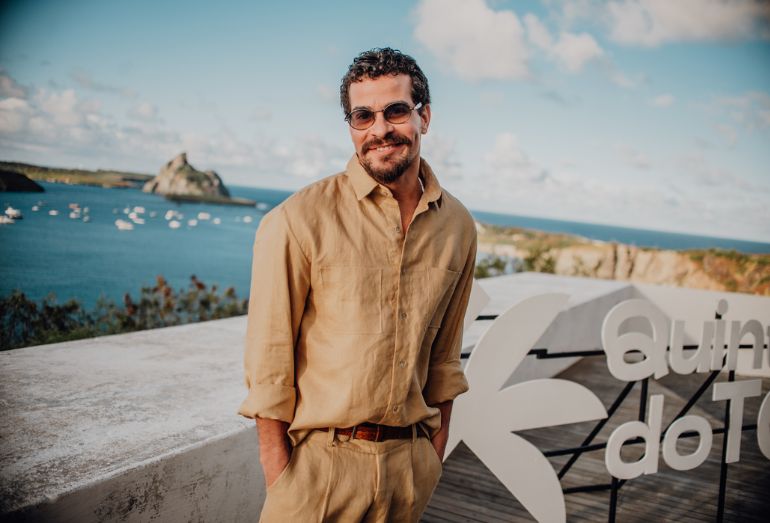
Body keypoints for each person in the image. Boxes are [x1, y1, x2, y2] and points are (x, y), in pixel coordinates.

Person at [239, 47, 477, 522]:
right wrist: (280, 473)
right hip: (317, 475)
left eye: (395, 111)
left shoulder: (459, 227)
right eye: (362, 116)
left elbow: (445, 357)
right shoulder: (296, 220)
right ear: (349, 125)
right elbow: (270, 363)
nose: (379, 130)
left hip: (410, 471)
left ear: (423, 116)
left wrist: (433, 449)